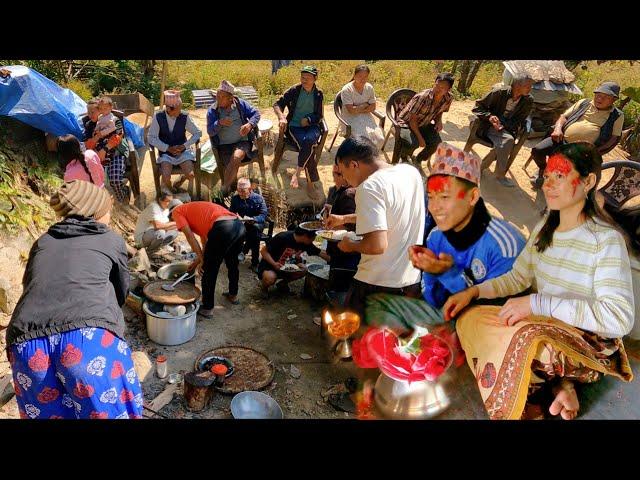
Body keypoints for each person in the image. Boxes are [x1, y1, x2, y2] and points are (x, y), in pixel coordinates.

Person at [445, 142, 635, 420]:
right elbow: (517, 278)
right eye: (547, 176)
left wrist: (537, 303)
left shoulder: (606, 241)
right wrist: (474, 292)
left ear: (589, 181)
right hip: (545, 325)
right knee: (470, 319)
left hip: (588, 342)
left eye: (560, 176)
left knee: (525, 346)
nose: (548, 185)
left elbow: (618, 319)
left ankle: (536, 402)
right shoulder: (545, 228)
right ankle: (563, 386)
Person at [6, 180, 143, 419]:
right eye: (107, 210)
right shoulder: (109, 240)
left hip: (26, 345)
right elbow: (121, 291)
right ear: (95, 212)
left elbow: (31, 286)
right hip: (87, 341)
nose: (109, 215)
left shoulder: (43, 242)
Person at [365, 142, 525, 330]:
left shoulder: (505, 247)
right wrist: (432, 272)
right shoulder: (436, 237)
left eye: (445, 197)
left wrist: (445, 272)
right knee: (375, 307)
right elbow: (433, 299)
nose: (434, 207)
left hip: (489, 325)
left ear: (472, 197)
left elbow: (488, 311)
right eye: (431, 197)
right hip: (449, 316)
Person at [328, 137, 425, 319]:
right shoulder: (410, 173)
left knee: (357, 343)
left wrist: (350, 245)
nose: (346, 181)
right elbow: (392, 214)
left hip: (375, 285)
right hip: (410, 282)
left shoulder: (369, 187)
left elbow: (377, 245)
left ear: (354, 165)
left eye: (343, 172)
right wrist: (344, 218)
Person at [530, 81, 624, 190]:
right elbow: (563, 117)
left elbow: (614, 138)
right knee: (537, 150)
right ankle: (543, 169)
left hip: (583, 151)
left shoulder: (617, 115)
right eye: (598, 95)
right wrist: (557, 129)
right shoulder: (584, 102)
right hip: (561, 139)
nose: (600, 99)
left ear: (613, 100)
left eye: (605, 97)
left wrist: (596, 150)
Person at [170, 201, 246, 315]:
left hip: (223, 228)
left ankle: (207, 307)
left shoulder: (176, 211)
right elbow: (205, 242)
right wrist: (197, 261)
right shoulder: (196, 211)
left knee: (209, 270)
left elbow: (190, 238)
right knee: (232, 263)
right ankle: (233, 295)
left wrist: (202, 262)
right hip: (239, 226)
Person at [471, 74, 534, 187]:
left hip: (506, 129)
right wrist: (490, 117)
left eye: (531, 86)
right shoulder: (499, 92)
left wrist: (502, 124)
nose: (531, 89)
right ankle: (499, 174)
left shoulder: (528, 100)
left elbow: (519, 119)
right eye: (528, 86)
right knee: (508, 142)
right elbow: (478, 107)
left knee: (505, 143)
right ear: (517, 85)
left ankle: (481, 168)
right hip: (488, 126)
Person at [273, 65, 325, 201]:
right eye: (302, 77)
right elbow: (277, 104)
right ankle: (309, 183)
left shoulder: (318, 94)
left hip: (312, 126)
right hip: (295, 126)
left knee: (308, 142)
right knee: (309, 146)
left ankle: (298, 173)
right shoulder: (295, 90)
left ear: (315, 79)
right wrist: (281, 117)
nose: (304, 80)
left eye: (308, 78)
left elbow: (319, 115)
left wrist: (308, 119)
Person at [206, 80, 260, 195]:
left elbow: (256, 114)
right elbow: (210, 131)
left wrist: (249, 124)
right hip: (223, 146)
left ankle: (224, 189)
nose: (218, 99)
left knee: (236, 157)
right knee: (231, 170)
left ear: (231, 98)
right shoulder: (212, 110)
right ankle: (233, 189)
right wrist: (219, 123)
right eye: (217, 96)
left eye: (222, 97)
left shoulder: (240, 104)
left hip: (242, 142)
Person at [148, 90, 202, 193]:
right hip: (166, 154)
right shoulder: (158, 117)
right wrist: (167, 148)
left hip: (183, 153)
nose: (180, 111)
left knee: (190, 175)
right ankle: (171, 189)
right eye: (178, 109)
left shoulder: (184, 116)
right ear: (168, 108)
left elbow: (197, 133)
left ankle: (183, 187)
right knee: (166, 177)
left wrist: (184, 146)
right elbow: (151, 137)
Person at [397, 73, 455, 170]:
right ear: (434, 83)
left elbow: (440, 112)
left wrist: (439, 121)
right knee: (413, 143)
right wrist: (420, 138)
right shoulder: (422, 97)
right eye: (437, 85)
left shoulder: (448, 98)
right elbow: (412, 121)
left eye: (443, 88)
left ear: (448, 89)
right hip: (406, 123)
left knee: (436, 144)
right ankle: (403, 157)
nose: (438, 89)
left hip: (424, 123)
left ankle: (418, 159)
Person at [258, 226, 330, 294]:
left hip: (287, 267)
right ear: (305, 236)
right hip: (270, 266)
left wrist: (334, 261)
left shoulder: (306, 243)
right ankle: (264, 288)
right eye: (314, 237)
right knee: (270, 278)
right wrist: (274, 264)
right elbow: (263, 251)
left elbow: (320, 253)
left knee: (304, 269)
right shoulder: (282, 237)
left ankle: (282, 284)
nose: (314, 239)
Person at [323, 163, 360, 286]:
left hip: (344, 246)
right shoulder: (336, 191)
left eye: (336, 174)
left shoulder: (349, 194)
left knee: (341, 281)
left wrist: (331, 227)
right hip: (337, 245)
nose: (333, 177)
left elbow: (350, 224)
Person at [338, 65, 384, 148]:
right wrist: (365, 105)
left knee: (380, 139)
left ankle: (370, 157)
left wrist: (358, 109)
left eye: (365, 77)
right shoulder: (347, 89)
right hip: (350, 119)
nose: (363, 79)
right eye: (360, 76)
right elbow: (351, 111)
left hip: (366, 117)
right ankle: (361, 158)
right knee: (364, 140)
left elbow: (373, 107)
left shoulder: (369, 87)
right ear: (354, 76)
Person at [229, 177, 268, 271]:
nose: (240, 193)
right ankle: (254, 263)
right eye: (239, 190)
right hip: (242, 225)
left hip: (257, 224)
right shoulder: (235, 199)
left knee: (255, 230)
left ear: (250, 189)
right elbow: (231, 213)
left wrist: (253, 219)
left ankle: (244, 251)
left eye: (243, 191)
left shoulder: (258, 198)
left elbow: (263, 215)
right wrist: (236, 217)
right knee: (255, 236)